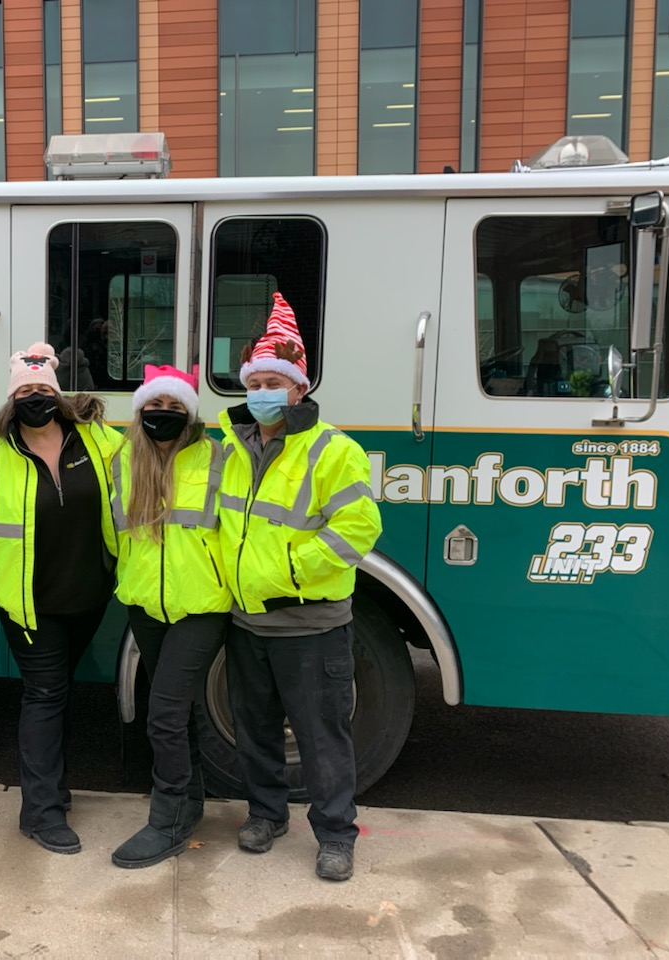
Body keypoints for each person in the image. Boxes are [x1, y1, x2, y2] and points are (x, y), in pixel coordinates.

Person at [217, 293, 382, 883]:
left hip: (309, 624)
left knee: (322, 737)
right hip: (246, 622)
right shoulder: (232, 448)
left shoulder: (335, 450)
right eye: (254, 380)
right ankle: (266, 815)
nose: (261, 391)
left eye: (274, 381)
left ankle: (336, 833)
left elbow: (358, 529)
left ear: (299, 388)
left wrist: (282, 572)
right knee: (254, 729)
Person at [0, 342, 119, 855]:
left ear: (58, 395)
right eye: (25, 391)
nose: (35, 398)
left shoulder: (98, 440)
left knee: (59, 692)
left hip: (89, 595)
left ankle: (52, 787)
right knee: (45, 694)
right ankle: (40, 812)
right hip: (28, 603)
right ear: (12, 400)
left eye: (43, 390)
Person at [107, 364, 230, 869]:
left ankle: (169, 821)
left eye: (175, 409)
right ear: (140, 413)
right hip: (145, 604)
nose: (163, 416)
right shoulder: (124, 459)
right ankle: (193, 800)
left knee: (163, 714)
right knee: (179, 712)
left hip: (201, 607)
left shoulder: (219, 458)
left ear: (191, 416)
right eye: (154, 408)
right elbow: (116, 533)